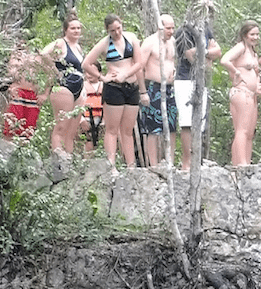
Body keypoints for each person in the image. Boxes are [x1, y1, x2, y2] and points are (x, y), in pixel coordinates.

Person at [82, 14, 145, 171]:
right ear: (107, 30)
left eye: (118, 28)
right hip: (114, 88)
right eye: (112, 30)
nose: (116, 33)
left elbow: (139, 63)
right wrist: (102, 77)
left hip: (132, 87)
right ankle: (111, 166)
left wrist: (127, 74)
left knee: (127, 130)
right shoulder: (104, 43)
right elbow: (86, 63)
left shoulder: (131, 38)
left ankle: (131, 166)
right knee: (112, 128)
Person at [174, 22, 222, 170]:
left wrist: (202, 52)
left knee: (199, 124)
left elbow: (218, 51)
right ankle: (187, 163)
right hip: (185, 81)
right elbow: (190, 56)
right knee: (187, 123)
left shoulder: (206, 29)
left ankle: (197, 161)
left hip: (201, 82)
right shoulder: (184, 31)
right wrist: (207, 54)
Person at [220, 21, 261, 165]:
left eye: (257, 34)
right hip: (241, 92)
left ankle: (244, 162)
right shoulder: (240, 47)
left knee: (249, 132)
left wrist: (259, 74)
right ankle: (241, 163)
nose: (255, 37)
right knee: (242, 130)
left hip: (252, 94)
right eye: (252, 34)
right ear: (244, 35)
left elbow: (254, 71)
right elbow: (224, 60)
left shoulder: (252, 52)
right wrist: (235, 72)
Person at [41, 9, 84, 156]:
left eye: (78, 28)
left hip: (79, 88)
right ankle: (58, 161)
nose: (76, 31)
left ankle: (69, 162)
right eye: (73, 28)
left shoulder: (78, 47)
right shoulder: (61, 43)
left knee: (72, 130)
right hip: (63, 86)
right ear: (66, 30)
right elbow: (43, 55)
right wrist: (54, 72)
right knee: (61, 126)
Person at [136, 14, 177, 165]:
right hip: (153, 87)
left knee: (172, 125)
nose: (171, 31)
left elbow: (171, 62)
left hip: (170, 88)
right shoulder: (149, 43)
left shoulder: (172, 41)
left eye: (173, 28)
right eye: (168, 28)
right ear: (160, 27)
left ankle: (169, 161)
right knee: (153, 128)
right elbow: (139, 68)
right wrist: (142, 92)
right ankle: (153, 163)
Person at [79, 63, 104, 155]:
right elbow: (77, 105)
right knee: (87, 142)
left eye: (91, 72)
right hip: (87, 119)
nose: (89, 75)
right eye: (87, 72)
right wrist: (81, 120)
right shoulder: (82, 86)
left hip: (102, 120)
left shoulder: (105, 86)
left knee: (104, 144)